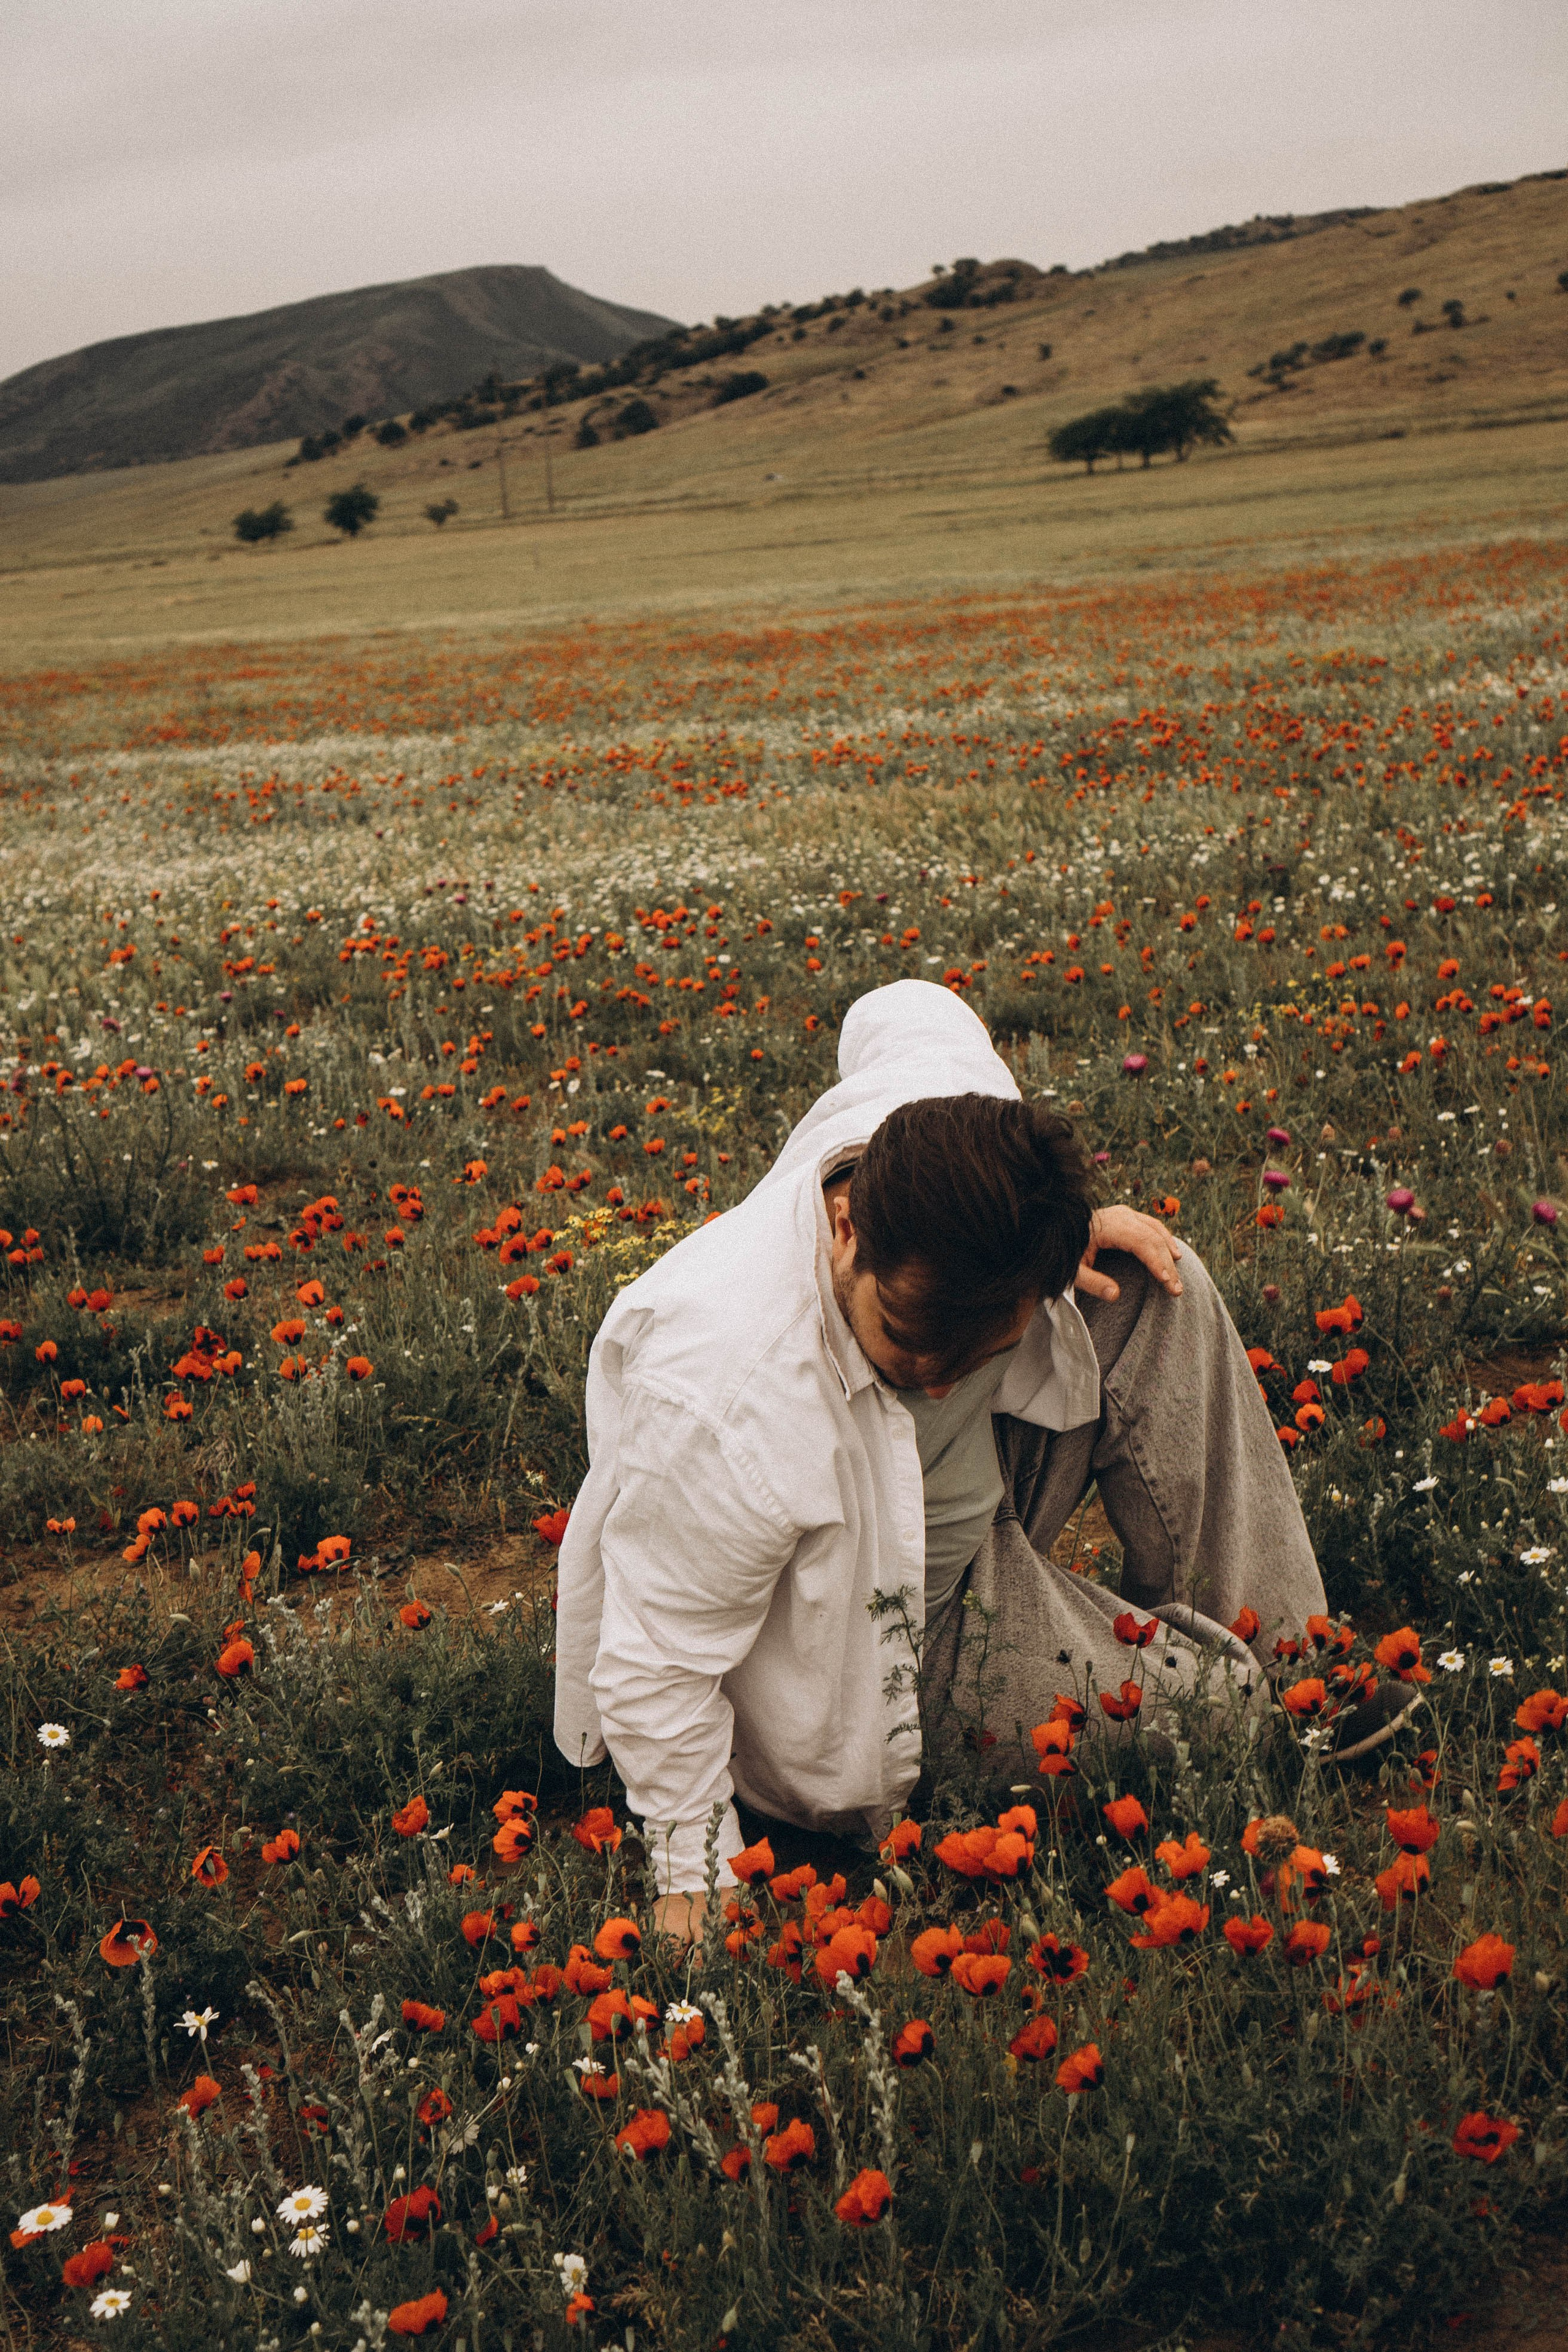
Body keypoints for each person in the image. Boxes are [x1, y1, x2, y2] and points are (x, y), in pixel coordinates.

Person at [553, 979, 1406, 1945]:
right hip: (876, 1641)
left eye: (974, 1352)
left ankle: (1298, 1660)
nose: (935, 1382)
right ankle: (1248, 1700)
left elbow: (904, 1008)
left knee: (1150, 1281)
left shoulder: (944, 1116)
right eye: (907, 1338)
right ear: (847, 1228)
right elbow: (655, 1660)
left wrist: (1056, 1238)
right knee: (1223, 1723)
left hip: (970, 1497)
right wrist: (694, 1873)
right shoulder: (724, 1396)